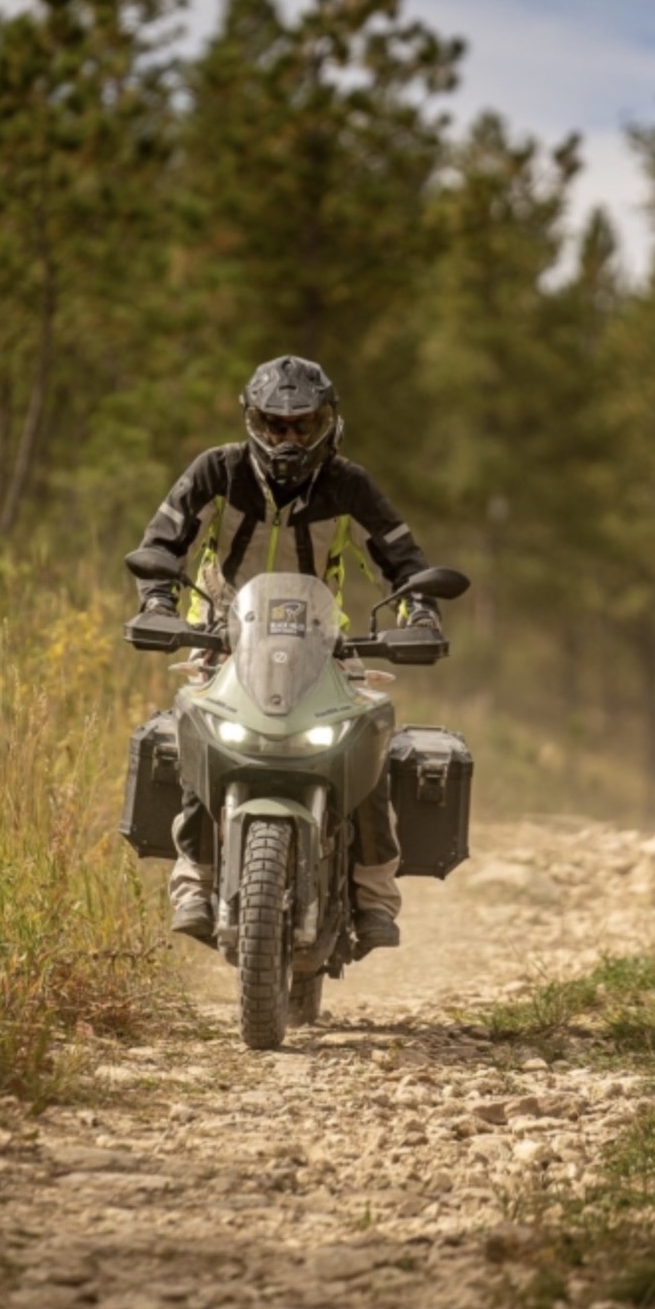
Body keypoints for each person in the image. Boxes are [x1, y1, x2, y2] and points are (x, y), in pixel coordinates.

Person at [131, 355, 441, 955]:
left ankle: (373, 896)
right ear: (254, 420)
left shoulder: (349, 486)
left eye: (303, 424)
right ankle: (194, 882)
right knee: (197, 732)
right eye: (275, 423)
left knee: (367, 740)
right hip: (224, 640)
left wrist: (420, 612)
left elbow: (404, 563)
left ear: (328, 422)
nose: (288, 437)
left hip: (326, 646)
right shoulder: (216, 472)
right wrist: (158, 603)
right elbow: (161, 544)